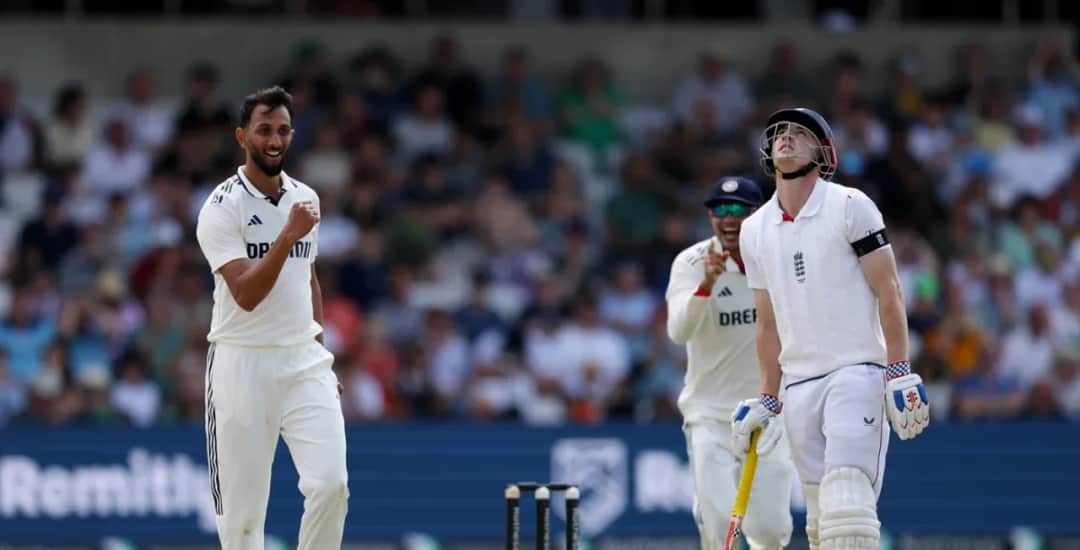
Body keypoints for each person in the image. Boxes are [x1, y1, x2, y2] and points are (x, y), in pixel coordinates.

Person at [731, 108, 930, 550]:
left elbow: (889, 289)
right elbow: (767, 322)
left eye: (799, 133)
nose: (785, 138)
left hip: (856, 371)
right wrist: (768, 395)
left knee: (848, 509)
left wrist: (899, 369)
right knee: (822, 526)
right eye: (779, 133)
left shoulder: (850, 205)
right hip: (798, 385)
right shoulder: (753, 230)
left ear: (823, 152)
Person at [195, 86, 348, 549]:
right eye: (264, 130)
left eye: (282, 130)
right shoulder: (221, 208)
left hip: (302, 361)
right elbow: (245, 293)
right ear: (243, 136)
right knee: (242, 525)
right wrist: (287, 235)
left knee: (330, 486)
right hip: (242, 364)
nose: (274, 139)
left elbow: (309, 279)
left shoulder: (306, 199)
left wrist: (318, 351)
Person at [666, 176, 794, 549]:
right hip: (710, 413)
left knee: (770, 531)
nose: (729, 218)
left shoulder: (780, 259)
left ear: (758, 214)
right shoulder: (691, 263)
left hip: (768, 410)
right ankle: (707, 511)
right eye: (719, 209)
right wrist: (706, 286)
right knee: (721, 526)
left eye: (739, 209)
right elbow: (678, 331)